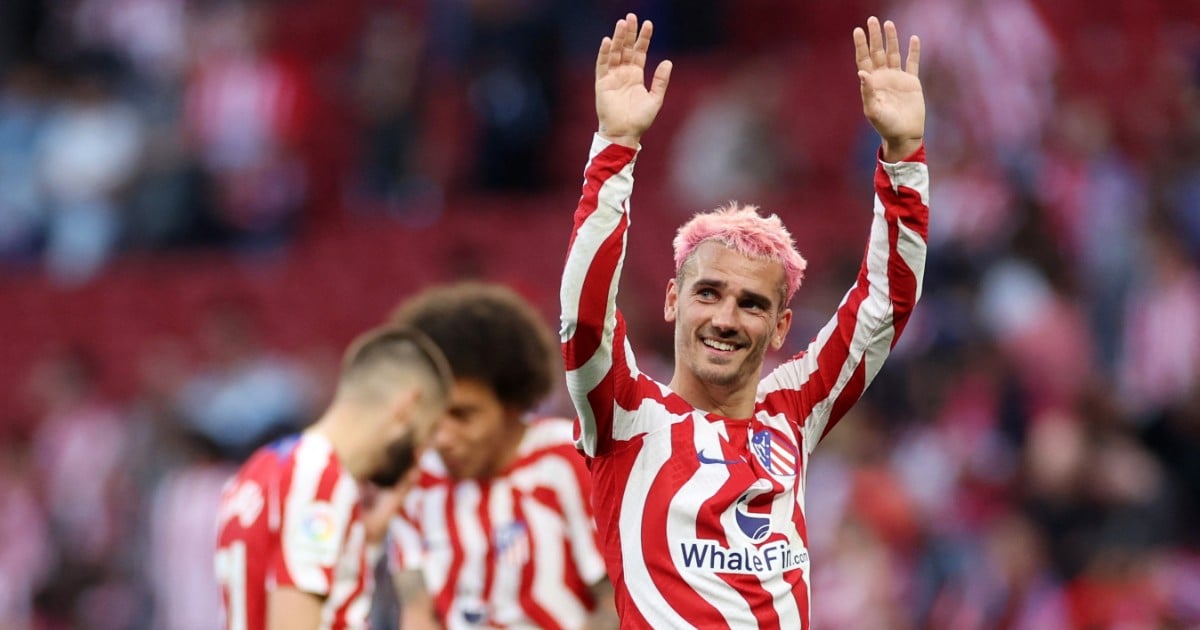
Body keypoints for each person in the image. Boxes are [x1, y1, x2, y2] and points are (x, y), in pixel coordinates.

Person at [559, 13, 928, 628]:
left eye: (753, 303)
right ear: (673, 301)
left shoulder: (793, 411)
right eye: (708, 293)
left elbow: (884, 305)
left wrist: (903, 158)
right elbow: (586, 322)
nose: (726, 318)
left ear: (781, 328)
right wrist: (615, 147)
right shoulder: (626, 416)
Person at [386, 282, 616, 629]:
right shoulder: (415, 480)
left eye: (463, 415)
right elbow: (417, 612)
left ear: (511, 402)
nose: (442, 438)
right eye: (432, 415)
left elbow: (615, 602)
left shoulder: (569, 460)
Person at [214, 326, 452, 630]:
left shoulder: (264, 464)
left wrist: (368, 541)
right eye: (426, 434)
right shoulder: (318, 479)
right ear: (407, 409)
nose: (419, 461)